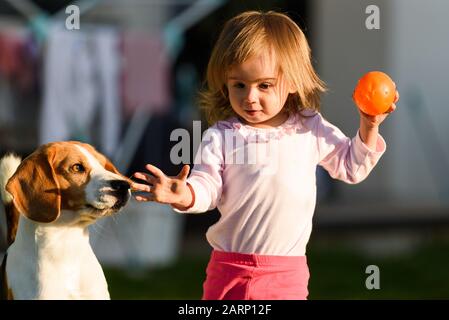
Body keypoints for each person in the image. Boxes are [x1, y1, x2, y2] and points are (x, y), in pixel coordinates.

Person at [131, 10, 399, 300]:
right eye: (239, 85)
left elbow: (351, 167)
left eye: (265, 85)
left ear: (294, 81)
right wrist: (183, 194)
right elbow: (207, 187)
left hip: (287, 275)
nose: (250, 96)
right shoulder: (221, 136)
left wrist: (369, 125)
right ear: (225, 83)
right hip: (229, 270)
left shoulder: (310, 127)